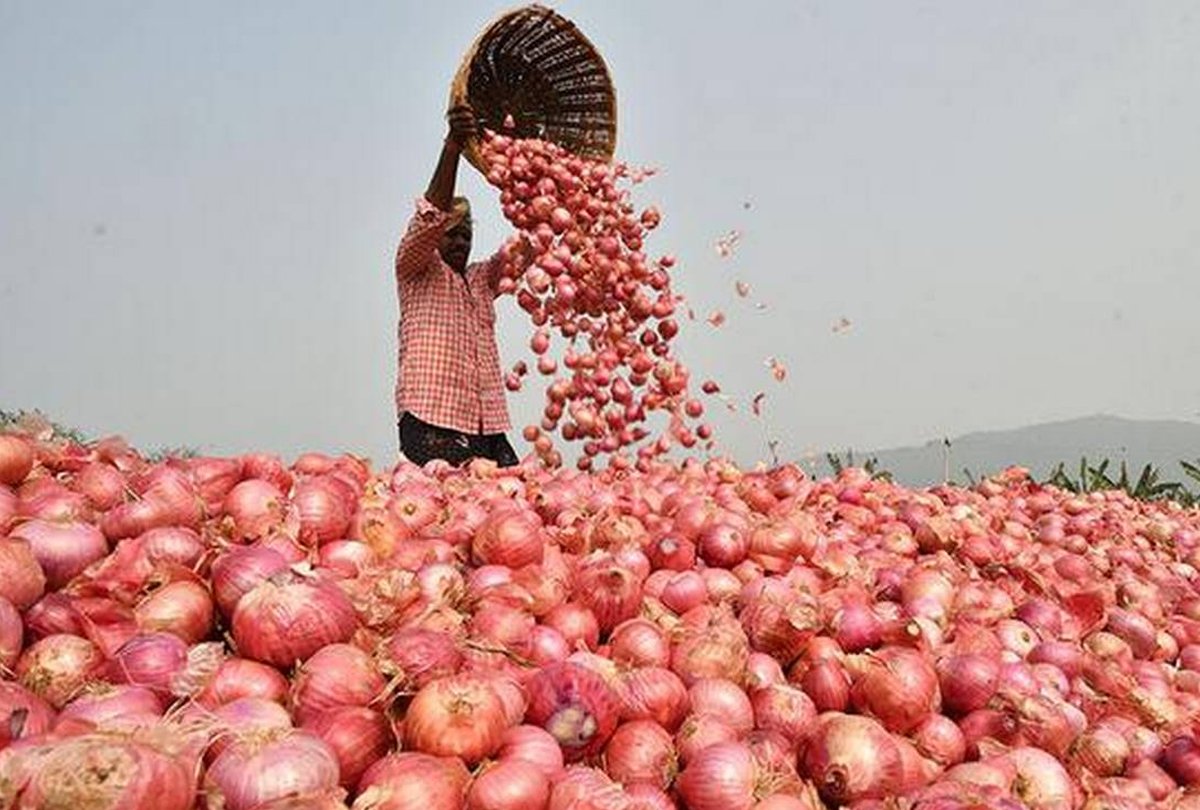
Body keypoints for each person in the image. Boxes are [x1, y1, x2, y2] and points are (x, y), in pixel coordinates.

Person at [392, 104, 521, 468]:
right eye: (452, 234)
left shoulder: (481, 279)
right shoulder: (415, 268)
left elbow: (527, 247)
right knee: (443, 512)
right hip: (433, 416)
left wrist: (550, 193)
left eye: (467, 234)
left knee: (505, 508)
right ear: (436, 237)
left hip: (487, 423)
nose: (461, 241)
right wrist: (453, 148)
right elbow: (430, 216)